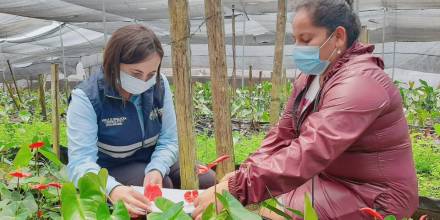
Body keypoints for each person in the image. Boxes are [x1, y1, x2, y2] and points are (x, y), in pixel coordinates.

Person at [192, 0, 418, 219]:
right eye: (296, 40)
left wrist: (237, 188)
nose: (298, 48)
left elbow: (312, 148)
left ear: (338, 37)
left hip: (374, 193)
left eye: (306, 39)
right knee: (267, 206)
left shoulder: (361, 81)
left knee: (273, 212)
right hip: (331, 178)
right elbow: (283, 135)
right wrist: (244, 174)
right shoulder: (310, 78)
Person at [66, 24, 215, 217]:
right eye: (135, 74)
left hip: (154, 156)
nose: (144, 81)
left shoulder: (159, 85)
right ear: (113, 64)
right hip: (113, 166)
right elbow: (80, 162)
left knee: (207, 181)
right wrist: (112, 189)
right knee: (154, 195)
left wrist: (157, 168)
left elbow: (169, 139)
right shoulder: (87, 98)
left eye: (151, 74)